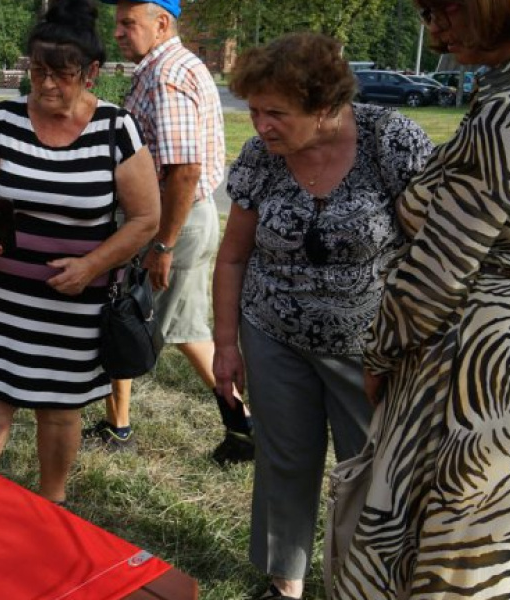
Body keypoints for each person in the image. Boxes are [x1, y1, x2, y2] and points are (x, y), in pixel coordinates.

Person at [334, 1, 510, 597]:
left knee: (461, 554)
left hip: (482, 365)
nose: (433, 25)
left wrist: (379, 353)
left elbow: (441, 267)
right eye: (424, 9)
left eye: (445, 6)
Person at [211, 32, 434, 599]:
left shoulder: (392, 141)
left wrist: (411, 343)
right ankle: (284, 581)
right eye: (255, 110)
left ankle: (362, 580)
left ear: (327, 107)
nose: (261, 125)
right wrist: (227, 342)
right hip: (274, 332)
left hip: (372, 350)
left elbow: (432, 251)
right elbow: (234, 254)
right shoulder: (262, 156)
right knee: (284, 460)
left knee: (369, 470)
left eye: (276, 113)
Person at [0, 0, 160, 504]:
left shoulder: (116, 129)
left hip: (76, 303)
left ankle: (52, 503)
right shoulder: (3, 121)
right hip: (2, 297)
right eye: (38, 70)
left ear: (90, 72)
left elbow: (145, 219)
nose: (46, 84)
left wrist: (91, 265)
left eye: (61, 74)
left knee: (60, 409)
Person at [90, 0, 242, 461]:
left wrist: (162, 243)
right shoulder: (172, 66)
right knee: (162, 322)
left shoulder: (167, 76)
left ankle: (242, 425)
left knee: (137, 319)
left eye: (127, 23)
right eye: (116, 22)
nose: (117, 32)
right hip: (180, 220)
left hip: (171, 221)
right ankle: (238, 426)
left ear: (161, 24)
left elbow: (184, 170)